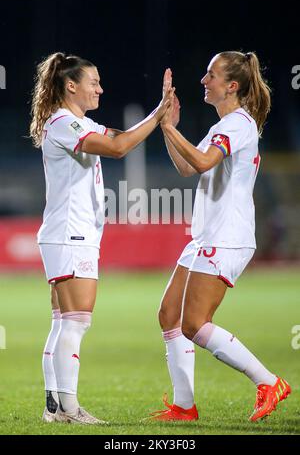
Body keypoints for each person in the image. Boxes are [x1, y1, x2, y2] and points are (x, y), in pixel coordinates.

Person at [146, 52, 291, 422]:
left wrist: (171, 128)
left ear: (232, 85)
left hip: (227, 236)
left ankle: (268, 381)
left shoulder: (238, 124)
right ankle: (184, 406)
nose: (203, 80)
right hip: (206, 236)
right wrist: (166, 126)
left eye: (211, 74)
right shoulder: (222, 126)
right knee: (169, 315)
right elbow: (186, 166)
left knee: (194, 324)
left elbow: (202, 162)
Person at [30, 52, 172, 425]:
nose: (100, 88)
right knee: (76, 321)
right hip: (70, 234)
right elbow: (118, 148)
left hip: (69, 234)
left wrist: (157, 114)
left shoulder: (78, 123)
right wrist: (158, 116)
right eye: (93, 82)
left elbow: (121, 136)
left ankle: (55, 409)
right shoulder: (64, 123)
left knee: (63, 321)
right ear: (71, 85)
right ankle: (70, 408)